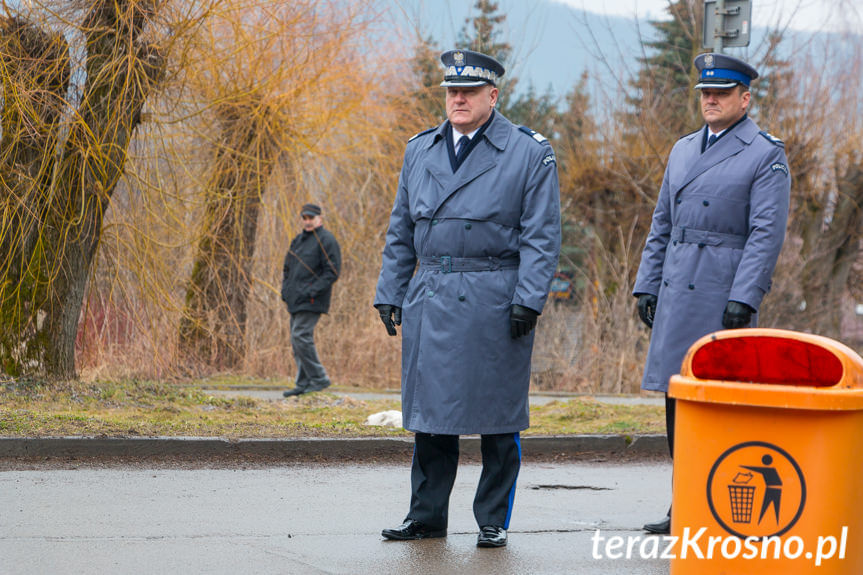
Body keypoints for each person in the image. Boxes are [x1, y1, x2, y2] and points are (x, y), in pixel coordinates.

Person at [374, 48, 561, 548]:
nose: (457, 98)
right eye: (452, 91)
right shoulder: (420, 149)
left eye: (469, 91)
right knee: (432, 419)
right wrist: (390, 290)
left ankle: (492, 519)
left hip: (494, 296)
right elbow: (400, 230)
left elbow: (542, 234)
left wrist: (529, 299)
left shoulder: (528, 152)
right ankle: (427, 515)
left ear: (492, 96)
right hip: (431, 293)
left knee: (498, 419)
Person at [632, 53, 790, 534]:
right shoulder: (683, 149)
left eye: (721, 93)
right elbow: (662, 222)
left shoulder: (765, 154)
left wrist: (745, 296)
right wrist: (646, 283)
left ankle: (712, 504)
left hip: (722, 293)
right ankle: (683, 503)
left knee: (718, 404)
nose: (711, 100)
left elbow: (766, 233)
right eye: (705, 93)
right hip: (677, 286)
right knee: (677, 401)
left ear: (745, 98)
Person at [281, 203, 341, 397]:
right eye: (304, 218)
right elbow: (287, 268)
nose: (307, 222)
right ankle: (303, 383)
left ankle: (319, 378)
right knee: (296, 341)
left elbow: (332, 271)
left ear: (319, 219)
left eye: (311, 218)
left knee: (301, 336)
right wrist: (286, 290)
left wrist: (311, 291)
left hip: (313, 300)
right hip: (294, 299)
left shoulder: (326, 240)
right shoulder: (297, 241)